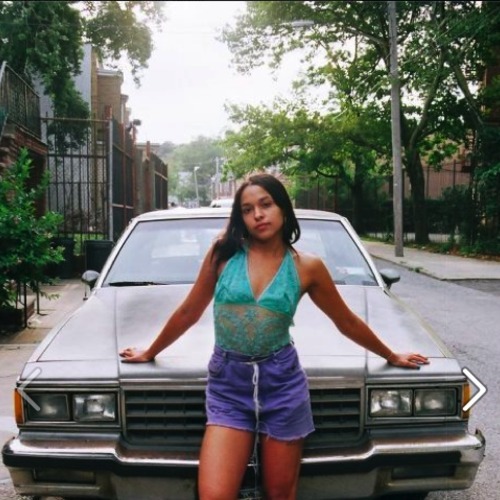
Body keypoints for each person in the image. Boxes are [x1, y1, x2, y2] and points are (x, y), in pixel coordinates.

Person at [119, 173, 429, 500]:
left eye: (265, 204)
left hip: (282, 384)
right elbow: (188, 311)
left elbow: (346, 321)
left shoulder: (308, 267)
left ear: (282, 208)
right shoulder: (223, 255)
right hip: (228, 386)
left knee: (279, 494)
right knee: (214, 494)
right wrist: (150, 351)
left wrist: (390, 354)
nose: (258, 215)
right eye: (247, 209)